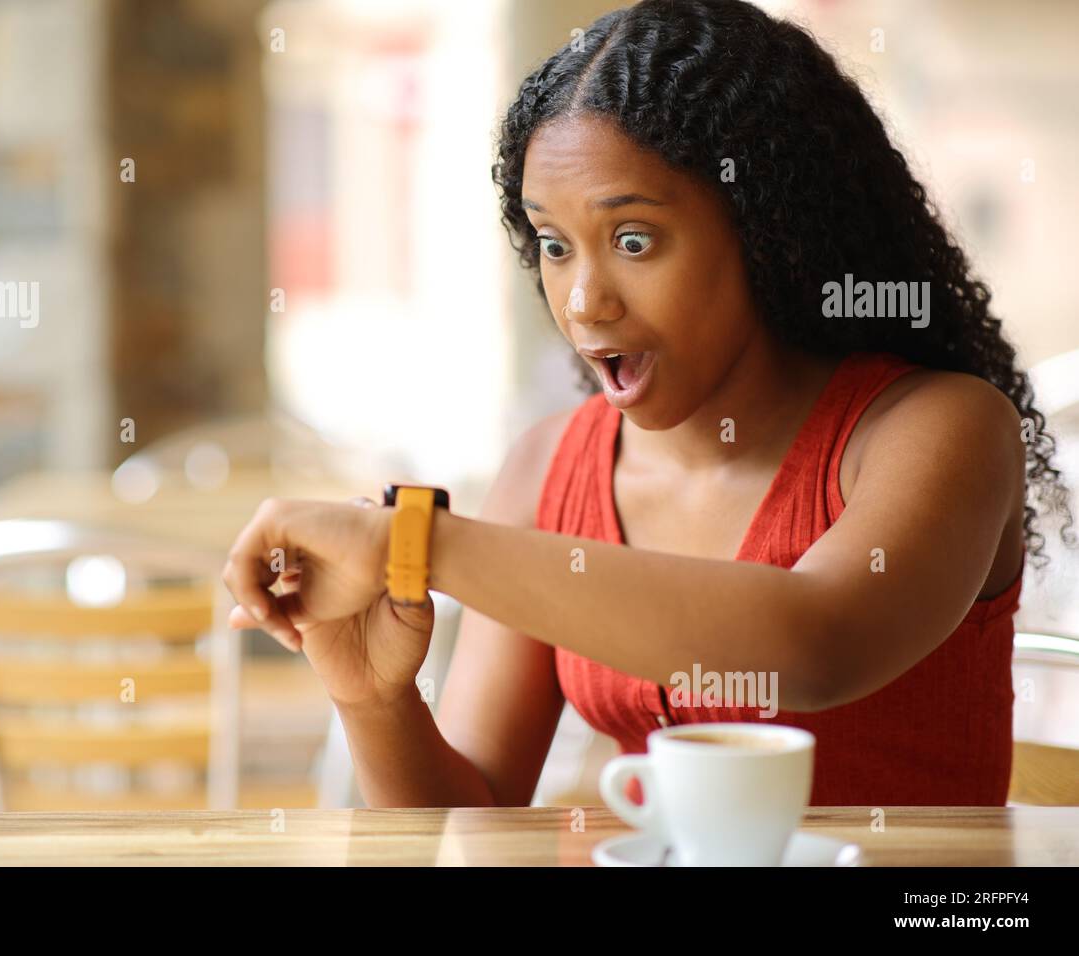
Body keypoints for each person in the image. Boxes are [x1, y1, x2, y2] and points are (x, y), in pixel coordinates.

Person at [221, 0, 1073, 808]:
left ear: (767, 228)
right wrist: (372, 696)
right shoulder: (553, 466)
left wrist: (412, 546)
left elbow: (811, 647)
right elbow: (469, 813)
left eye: (634, 240)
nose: (584, 300)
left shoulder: (937, 429)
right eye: (554, 244)